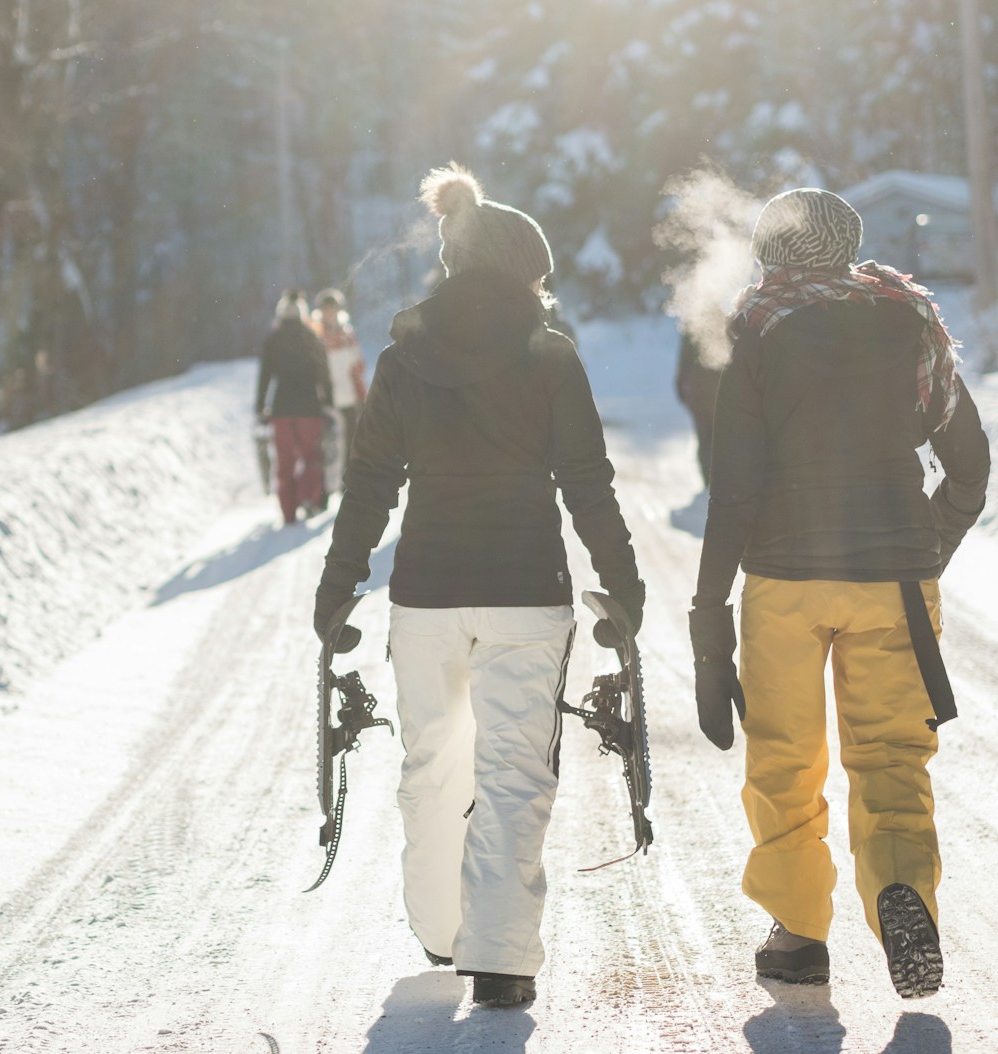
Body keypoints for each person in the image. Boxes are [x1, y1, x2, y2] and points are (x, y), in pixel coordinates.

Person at [313, 162, 644, 1008]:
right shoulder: (550, 356)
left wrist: (338, 584)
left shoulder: (402, 358)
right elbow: (587, 480)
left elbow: (371, 481)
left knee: (431, 765)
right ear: (524, 272)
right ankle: (499, 958)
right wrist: (624, 582)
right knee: (512, 770)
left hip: (425, 592)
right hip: (528, 590)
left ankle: (439, 929)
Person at [689, 188, 989, 998]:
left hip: (785, 579)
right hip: (894, 578)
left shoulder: (759, 326)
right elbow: (970, 466)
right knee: (892, 754)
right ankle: (902, 889)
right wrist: (931, 545)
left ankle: (796, 934)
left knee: (786, 756)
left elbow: (737, 487)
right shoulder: (911, 321)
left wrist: (707, 609)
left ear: (772, 251)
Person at [255, 289, 333, 524]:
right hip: (310, 408)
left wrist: (261, 407)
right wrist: (328, 402)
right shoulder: (311, 336)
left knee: (285, 461)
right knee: (311, 456)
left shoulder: (273, 339)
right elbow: (324, 374)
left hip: (281, 410)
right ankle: (308, 498)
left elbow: (265, 376)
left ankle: (288, 511)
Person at [312, 287, 367, 496]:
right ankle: (326, 488)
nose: (330, 313)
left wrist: (361, 392)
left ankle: (347, 485)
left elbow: (359, 364)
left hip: (350, 397)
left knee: (351, 444)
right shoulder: (316, 336)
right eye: (326, 309)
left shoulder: (347, 333)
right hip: (328, 400)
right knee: (329, 446)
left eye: (333, 309)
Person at [674, 329, 723, 488]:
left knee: (704, 436)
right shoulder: (724, 318)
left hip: (698, 389)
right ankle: (718, 478)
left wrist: (680, 385)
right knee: (721, 437)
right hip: (719, 389)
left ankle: (708, 478)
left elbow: (684, 358)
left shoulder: (693, 323)